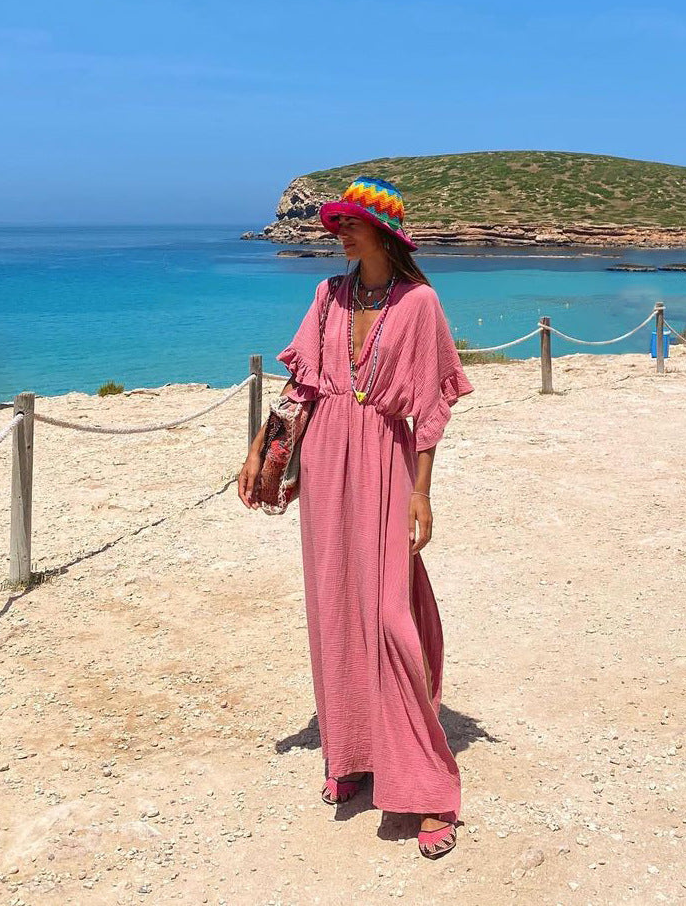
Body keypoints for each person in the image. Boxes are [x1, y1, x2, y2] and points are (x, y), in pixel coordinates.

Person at [238, 176, 473, 859]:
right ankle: (356, 754)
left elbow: (429, 409)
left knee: (388, 617)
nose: (338, 232)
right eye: (336, 222)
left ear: (386, 235)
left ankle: (427, 787)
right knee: (335, 607)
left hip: (384, 458)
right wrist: (267, 454)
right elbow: (302, 385)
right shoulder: (328, 295)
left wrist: (421, 493)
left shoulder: (421, 303)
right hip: (327, 461)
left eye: (352, 223)